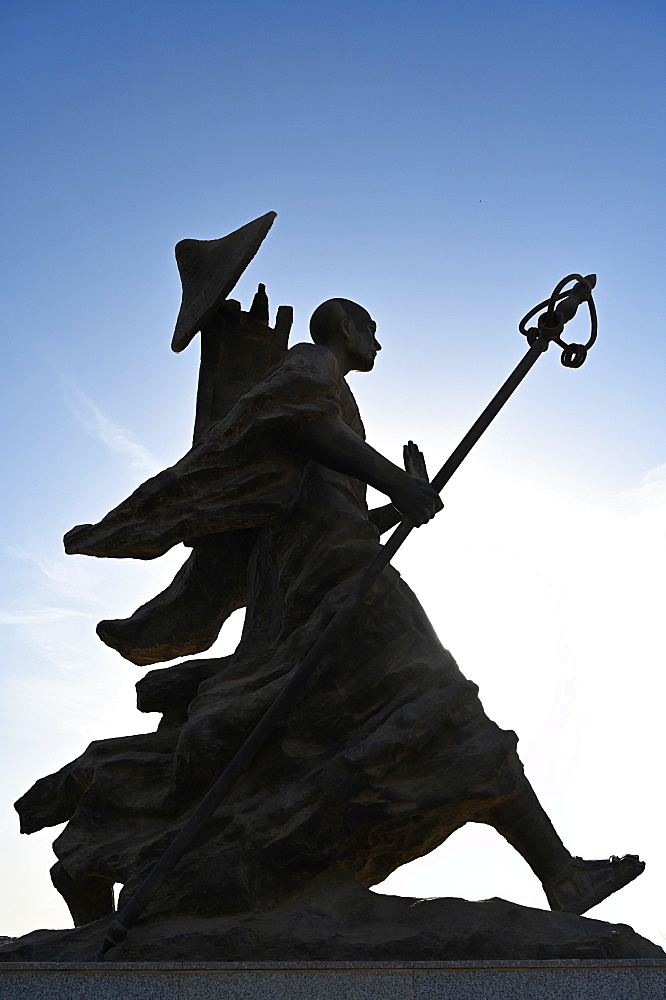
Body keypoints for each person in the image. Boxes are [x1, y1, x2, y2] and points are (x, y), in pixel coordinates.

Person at [17, 296, 643, 928]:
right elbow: (308, 430)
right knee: (439, 695)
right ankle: (560, 873)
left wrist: (394, 507)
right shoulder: (310, 365)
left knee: (416, 708)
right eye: (371, 330)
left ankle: (560, 873)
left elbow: (327, 506)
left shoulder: (333, 393)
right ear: (345, 329)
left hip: (335, 570)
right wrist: (398, 484)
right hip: (331, 582)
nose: (377, 343)